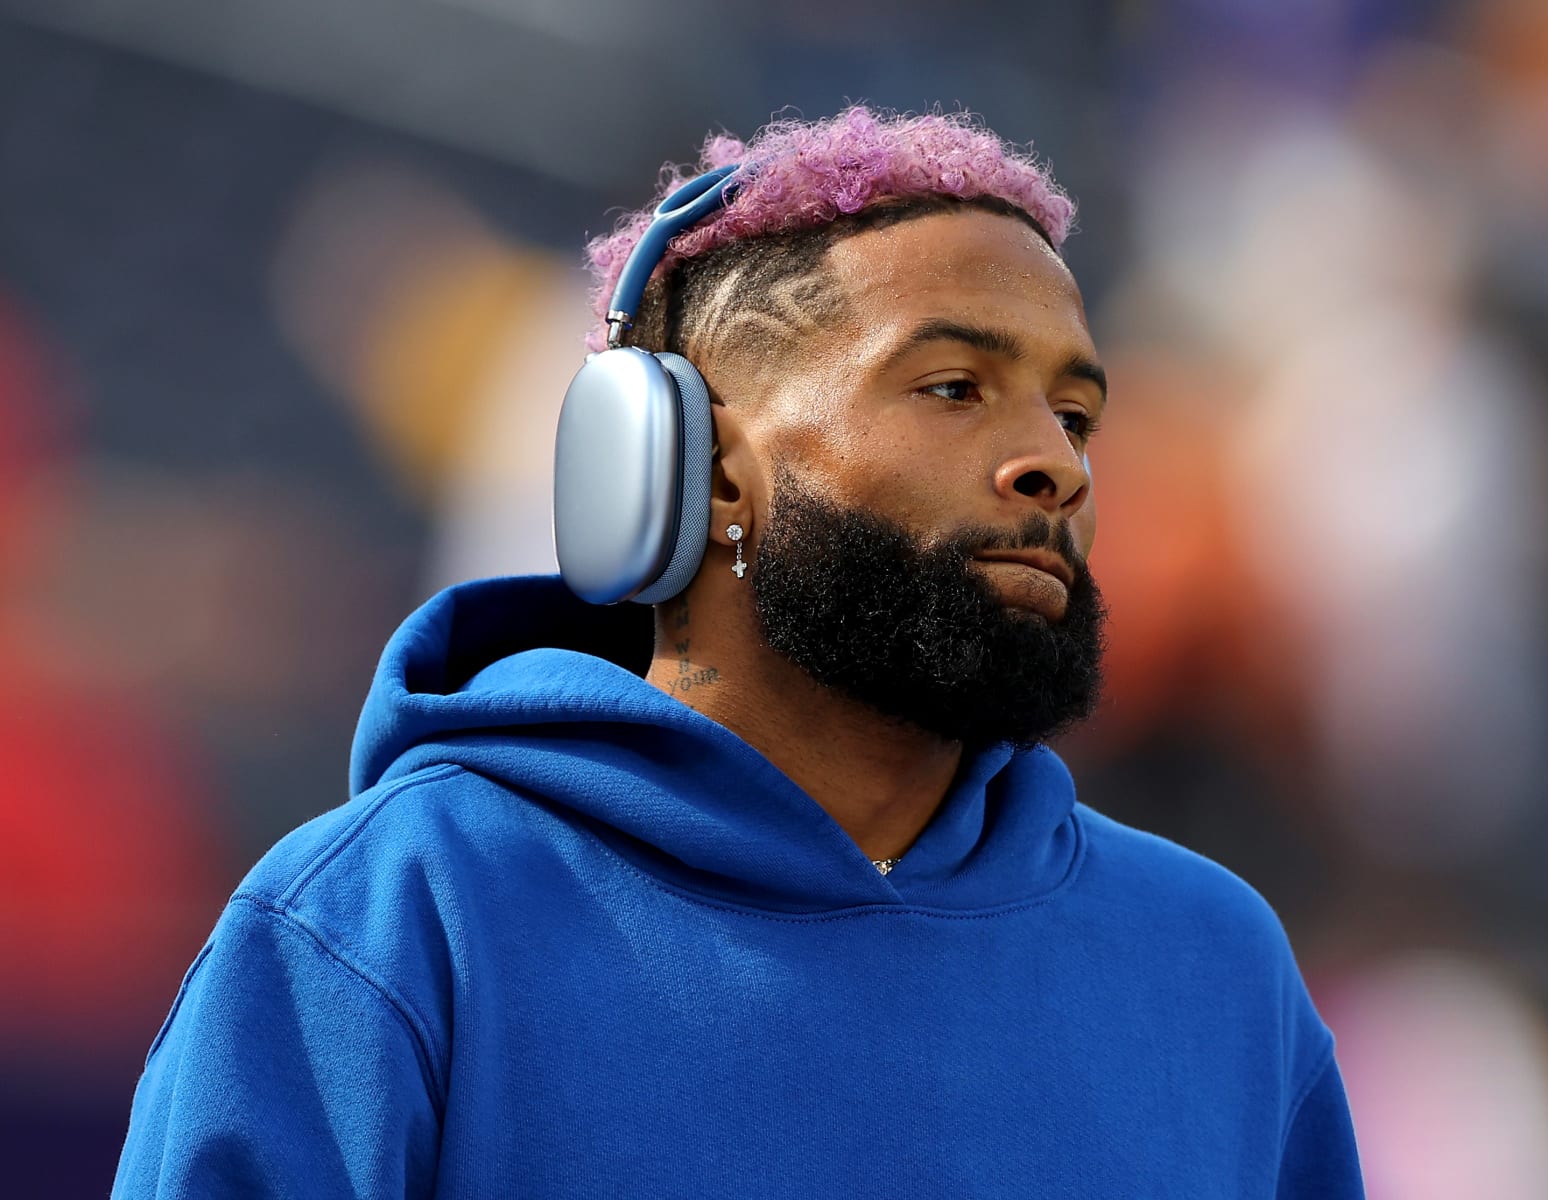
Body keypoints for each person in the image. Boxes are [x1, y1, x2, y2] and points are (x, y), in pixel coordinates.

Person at [113, 107, 1362, 1198]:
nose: (1058, 465)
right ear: (701, 469)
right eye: (952, 387)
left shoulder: (1216, 968)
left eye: (1076, 412)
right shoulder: (387, 922)